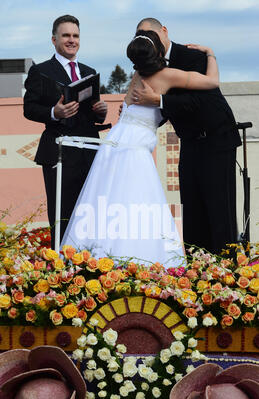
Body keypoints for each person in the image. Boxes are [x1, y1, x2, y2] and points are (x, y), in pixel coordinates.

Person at [61, 30, 219, 266]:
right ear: (158, 51)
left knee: (107, 201)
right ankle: (135, 260)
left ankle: (98, 257)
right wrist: (210, 54)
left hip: (117, 139)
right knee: (138, 203)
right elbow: (212, 82)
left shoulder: (137, 74)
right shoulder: (168, 75)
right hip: (134, 146)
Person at [131, 18, 242, 255]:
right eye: (140, 34)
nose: (147, 38)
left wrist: (158, 101)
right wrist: (139, 112)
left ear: (163, 31)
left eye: (150, 33)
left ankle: (227, 273)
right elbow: (162, 109)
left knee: (219, 210)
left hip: (217, 140)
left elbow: (203, 100)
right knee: (191, 210)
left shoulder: (193, 57)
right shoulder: (149, 66)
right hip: (189, 142)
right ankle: (195, 273)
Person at [23, 15, 108, 249]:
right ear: (54, 39)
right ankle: (62, 267)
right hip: (59, 152)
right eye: (66, 35)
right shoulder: (40, 72)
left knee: (91, 212)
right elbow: (29, 108)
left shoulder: (90, 71)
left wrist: (100, 112)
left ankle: (93, 265)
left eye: (76, 36)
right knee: (63, 214)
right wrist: (54, 112)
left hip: (90, 151)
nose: (72, 40)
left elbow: (91, 113)